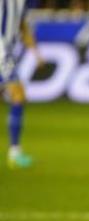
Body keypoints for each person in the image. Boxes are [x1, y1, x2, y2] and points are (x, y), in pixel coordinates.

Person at [1, 0, 43, 169]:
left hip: (8, 53)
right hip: (2, 53)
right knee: (18, 94)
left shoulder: (20, 3)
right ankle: (15, 153)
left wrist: (36, 52)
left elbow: (23, 27)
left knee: (18, 95)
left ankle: (15, 152)